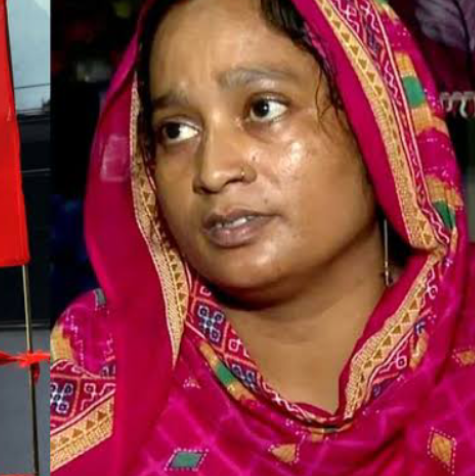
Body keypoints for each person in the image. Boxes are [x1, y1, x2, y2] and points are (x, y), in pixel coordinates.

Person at [50, 0, 474, 474]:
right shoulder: (96, 360)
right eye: (175, 130)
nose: (212, 170)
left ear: (379, 119)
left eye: (262, 108)